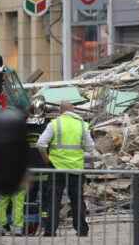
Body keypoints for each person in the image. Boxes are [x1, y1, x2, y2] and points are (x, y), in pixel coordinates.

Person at [36, 101, 94, 237]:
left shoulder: (55, 124)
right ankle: (82, 230)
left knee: (53, 200)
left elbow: (41, 144)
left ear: (60, 111)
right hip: (76, 168)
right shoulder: (82, 125)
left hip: (56, 167)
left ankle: (50, 230)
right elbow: (90, 148)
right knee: (77, 199)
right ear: (73, 110)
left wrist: (47, 159)